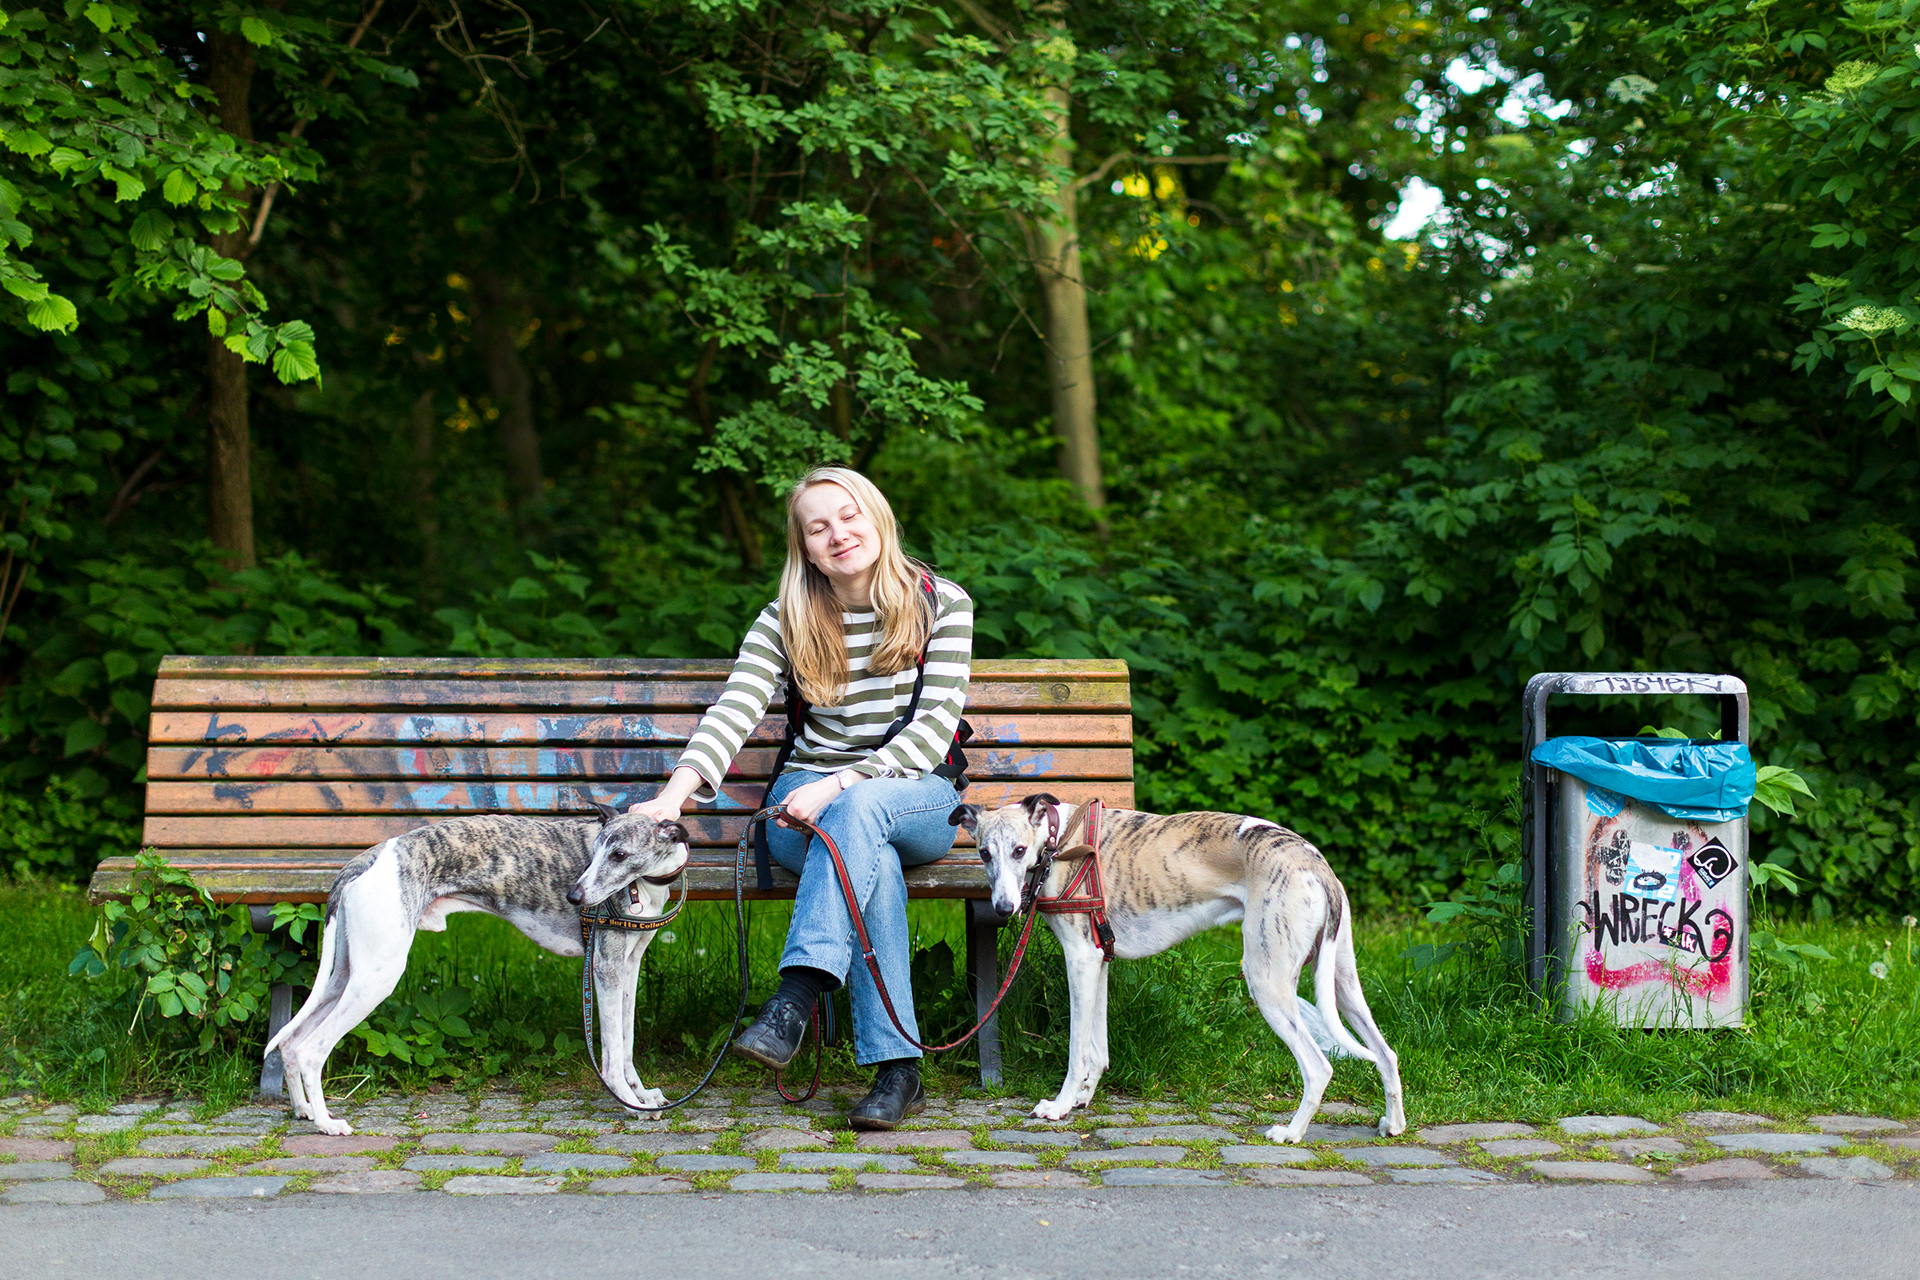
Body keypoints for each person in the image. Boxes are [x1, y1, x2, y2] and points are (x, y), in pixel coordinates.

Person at [628, 465, 973, 1128]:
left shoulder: (942, 604)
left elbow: (933, 729)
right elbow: (734, 710)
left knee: (861, 809)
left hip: (916, 796)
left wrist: (841, 784)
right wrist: (672, 798)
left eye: (849, 516)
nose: (838, 534)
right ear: (805, 548)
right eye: (819, 528)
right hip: (802, 806)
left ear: (877, 517)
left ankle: (794, 997)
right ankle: (898, 1074)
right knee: (872, 863)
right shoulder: (787, 619)